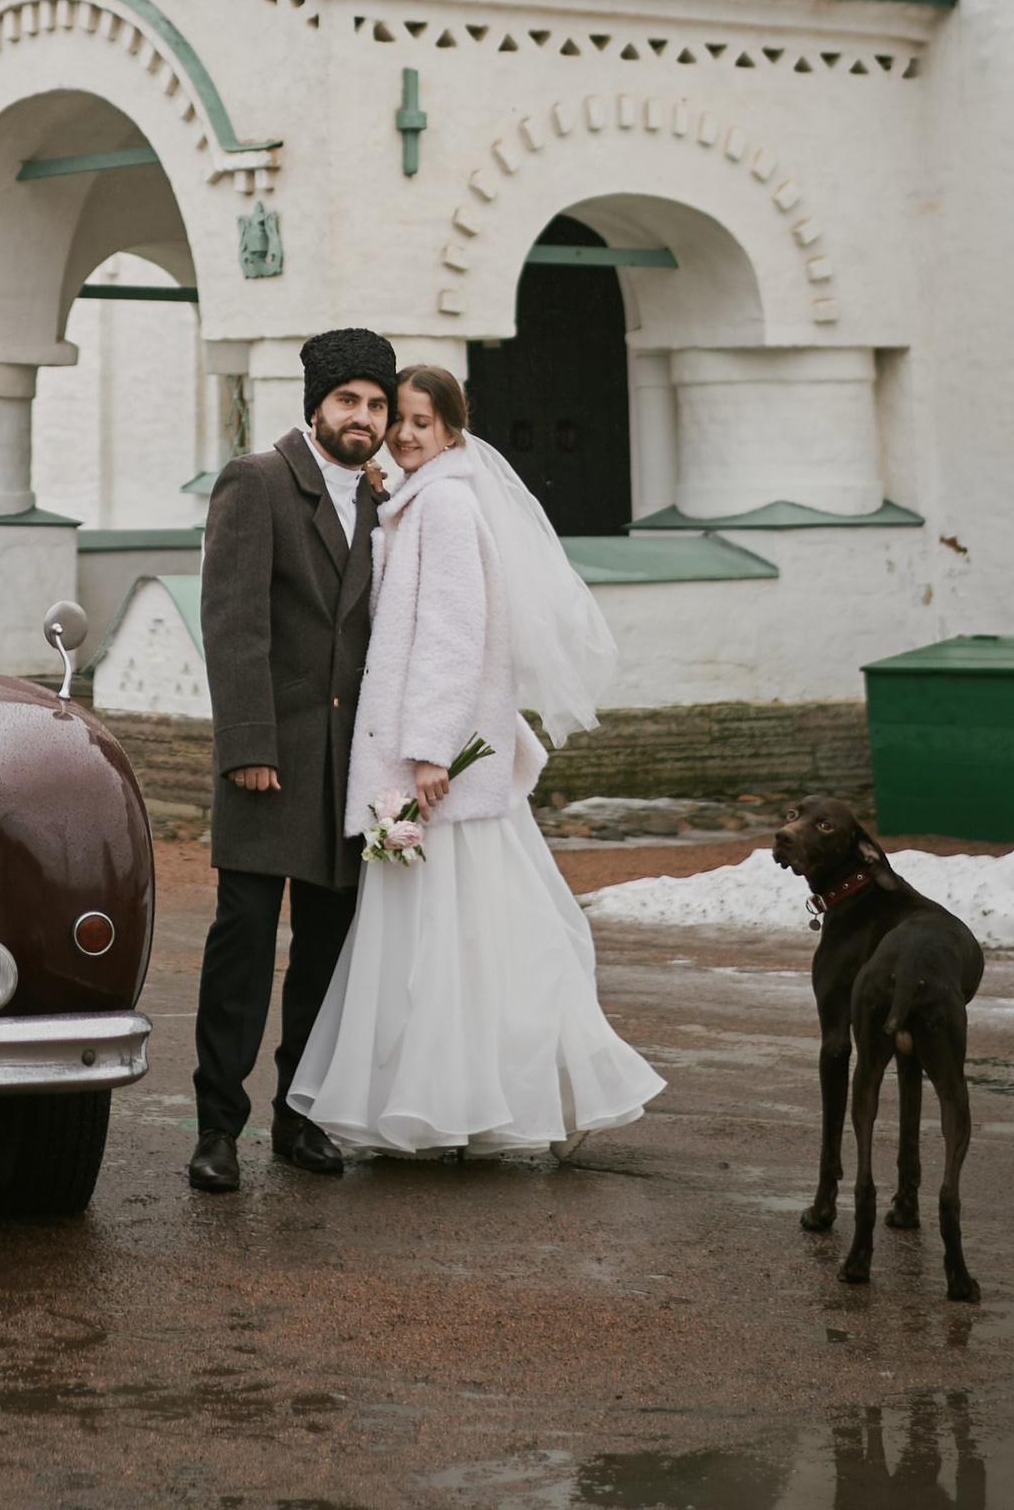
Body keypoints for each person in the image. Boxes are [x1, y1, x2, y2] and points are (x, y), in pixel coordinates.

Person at [287, 360, 665, 1161]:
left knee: (463, 940)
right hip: (422, 762)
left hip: (435, 769)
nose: (405, 434)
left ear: (454, 431)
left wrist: (432, 752)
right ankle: (460, 1102)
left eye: (423, 422)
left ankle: (532, 1092)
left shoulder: (448, 506)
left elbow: (453, 640)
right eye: (400, 421)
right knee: (453, 944)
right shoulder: (415, 503)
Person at [187, 327, 394, 1191]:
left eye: (378, 404)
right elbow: (233, 624)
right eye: (349, 400)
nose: (364, 417)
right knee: (243, 940)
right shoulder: (259, 481)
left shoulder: (387, 500)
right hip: (270, 761)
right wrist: (247, 746)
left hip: (350, 772)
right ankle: (217, 1129)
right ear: (315, 405)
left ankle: (299, 1117)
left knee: (326, 949)